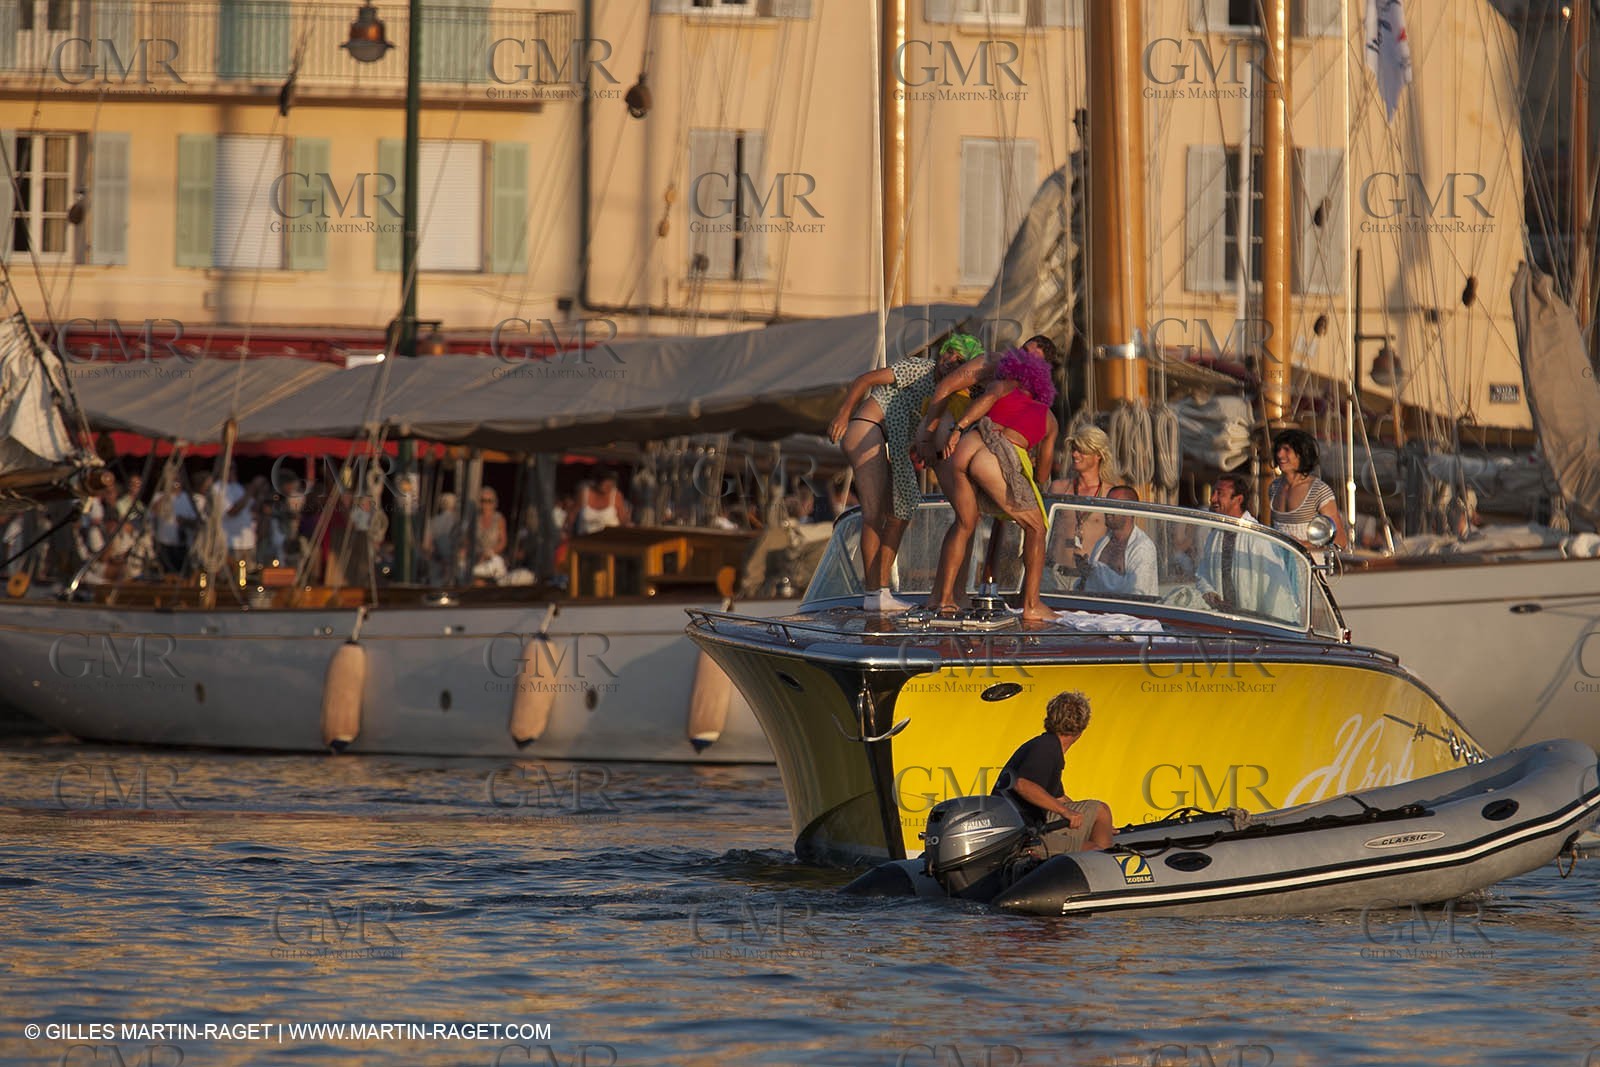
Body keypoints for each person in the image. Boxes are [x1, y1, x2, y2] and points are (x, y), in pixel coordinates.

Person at [828, 333, 985, 611]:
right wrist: (843, 413)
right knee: (875, 514)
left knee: (901, 510)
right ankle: (874, 593)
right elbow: (864, 380)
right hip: (868, 428)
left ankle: (881, 590)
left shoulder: (948, 391)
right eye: (948, 353)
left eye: (959, 360)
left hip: (886, 442)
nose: (949, 360)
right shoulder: (920, 367)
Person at [926, 348, 1058, 621]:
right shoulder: (1049, 417)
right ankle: (1032, 604)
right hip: (995, 456)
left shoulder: (1003, 386)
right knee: (1036, 527)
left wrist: (958, 429)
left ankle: (945, 598)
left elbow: (986, 400)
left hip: (969, 443)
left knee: (964, 523)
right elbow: (1043, 475)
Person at [991, 690, 1113, 856]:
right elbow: (1023, 784)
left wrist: (1095, 825)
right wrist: (1066, 812)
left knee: (1100, 811)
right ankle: (1103, 868)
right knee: (1095, 853)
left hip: (1032, 825)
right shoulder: (1046, 747)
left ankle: (1104, 855)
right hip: (1021, 836)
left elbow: (1058, 798)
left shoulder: (1048, 746)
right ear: (1082, 727)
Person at [1194, 472, 1294, 619]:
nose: (1212, 498)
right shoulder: (1214, 536)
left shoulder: (1259, 538)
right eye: (1213, 492)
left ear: (1238, 499)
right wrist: (1209, 592)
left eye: (1219, 493)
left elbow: (1276, 590)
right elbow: (1203, 573)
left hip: (1253, 625)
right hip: (1222, 622)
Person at [1268, 428, 1348, 550]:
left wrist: (1303, 545)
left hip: (1309, 565)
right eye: (1278, 449)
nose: (1280, 454)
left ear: (1302, 454)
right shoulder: (1274, 488)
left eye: (1286, 450)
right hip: (1277, 566)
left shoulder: (1319, 491)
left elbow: (1340, 541)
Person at [1077, 485, 1158, 597]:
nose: (1108, 510)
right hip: (1096, 611)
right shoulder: (1102, 543)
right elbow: (1090, 586)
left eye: (1114, 505)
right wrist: (1085, 572)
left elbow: (1139, 594)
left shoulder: (1142, 548)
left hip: (1127, 613)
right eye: (1107, 504)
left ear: (1131, 510)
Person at [471, 486, 509, 584]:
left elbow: (503, 541)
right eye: (483, 500)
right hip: (477, 558)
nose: (486, 504)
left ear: (494, 503)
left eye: (489, 501)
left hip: (493, 558)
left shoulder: (499, 519)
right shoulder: (475, 519)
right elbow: (469, 539)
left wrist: (491, 552)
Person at [575, 471, 630, 536]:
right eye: (607, 486)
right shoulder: (584, 494)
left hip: (610, 539)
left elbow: (623, 521)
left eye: (611, 486)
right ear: (597, 483)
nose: (609, 488)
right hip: (585, 538)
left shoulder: (616, 495)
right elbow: (572, 516)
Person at [424, 492, 461, 585]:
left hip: (437, 560)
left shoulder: (433, 521)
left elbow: (428, 544)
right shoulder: (458, 521)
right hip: (452, 559)